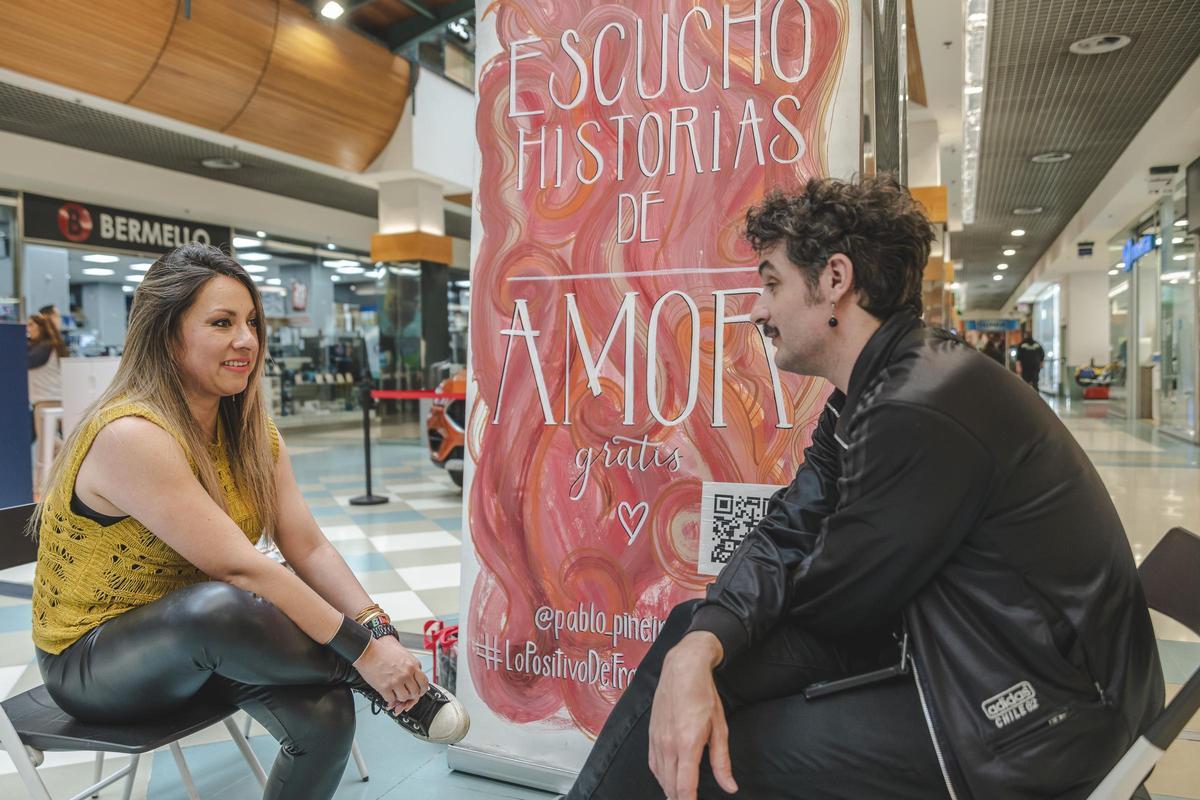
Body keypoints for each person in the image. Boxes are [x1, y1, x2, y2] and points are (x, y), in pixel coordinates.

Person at [564, 176, 1162, 800]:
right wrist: (707, 638)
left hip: (1039, 717)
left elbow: (840, 600)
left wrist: (717, 641)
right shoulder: (871, 392)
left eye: (771, 283)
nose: (756, 309)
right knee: (693, 639)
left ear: (834, 280)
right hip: (963, 655)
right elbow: (790, 523)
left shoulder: (921, 406)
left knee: (728, 752)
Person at [30, 244, 469, 800]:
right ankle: (379, 683)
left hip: (210, 643)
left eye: (251, 322)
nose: (246, 340)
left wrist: (378, 631)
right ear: (168, 337)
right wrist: (367, 656)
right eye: (221, 322)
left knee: (325, 716)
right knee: (225, 600)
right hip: (95, 664)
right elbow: (238, 568)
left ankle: (371, 676)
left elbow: (309, 547)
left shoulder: (253, 435)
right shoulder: (131, 435)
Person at [27, 312, 69, 473]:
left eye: (31, 325)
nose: (28, 329)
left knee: (46, 446)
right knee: (49, 443)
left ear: (40, 327)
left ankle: (41, 487)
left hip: (46, 400)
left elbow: (28, 361)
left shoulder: (41, 348)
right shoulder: (53, 345)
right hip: (56, 398)